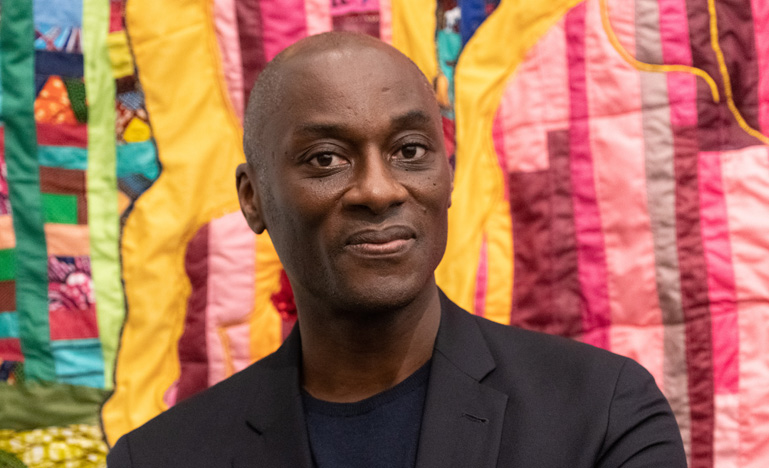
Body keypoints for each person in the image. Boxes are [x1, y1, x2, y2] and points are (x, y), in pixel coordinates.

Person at [107, 32, 687, 467]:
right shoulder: (160, 457)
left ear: (448, 175)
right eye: (326, 159)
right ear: (252, 198)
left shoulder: (603, 412)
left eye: (409, 151)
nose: (379, 190)